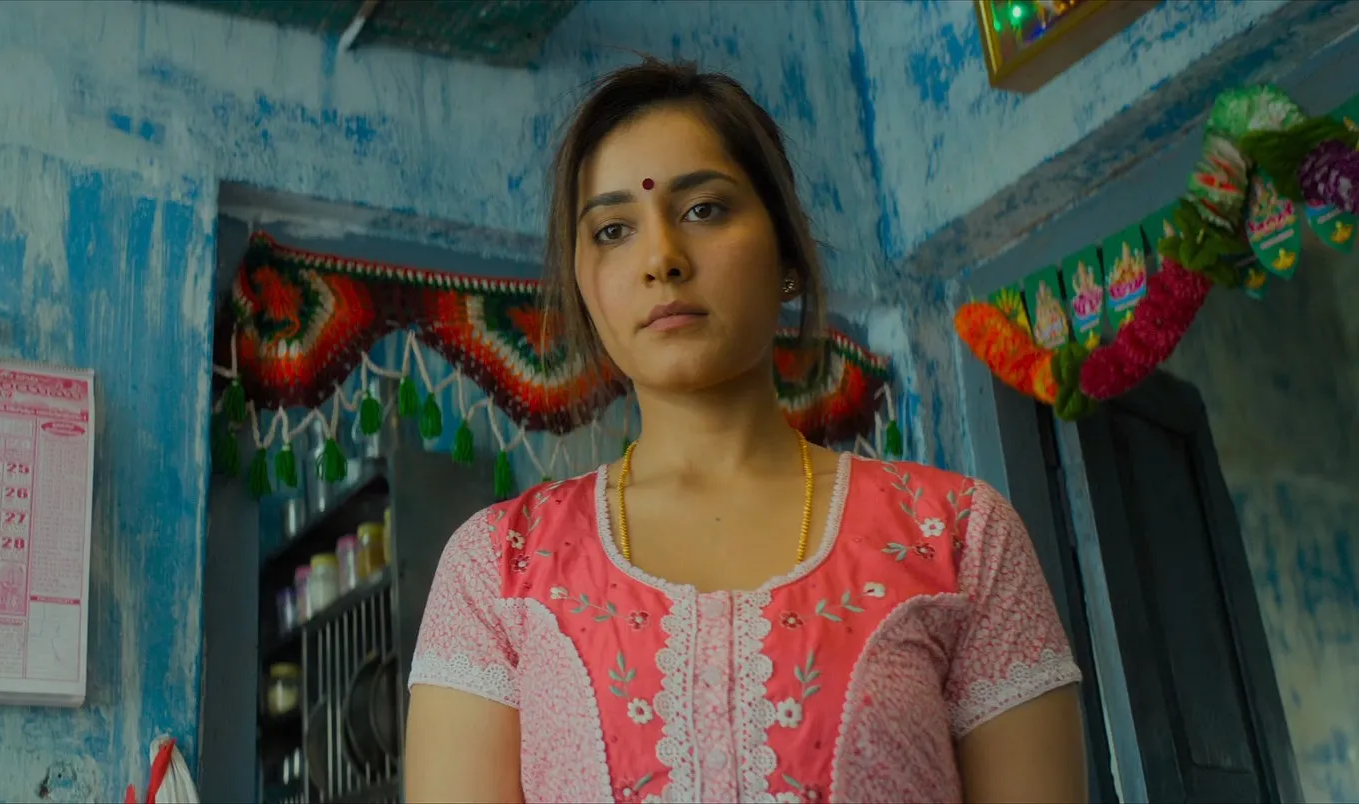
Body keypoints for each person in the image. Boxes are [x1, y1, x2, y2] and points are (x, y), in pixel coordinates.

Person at [403, 57, 1088, 804]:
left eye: (704, 210)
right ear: (582, 287)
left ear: (786, 251)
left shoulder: (958, 536)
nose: (661, 259)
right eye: (612, 230)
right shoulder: (497, 569)